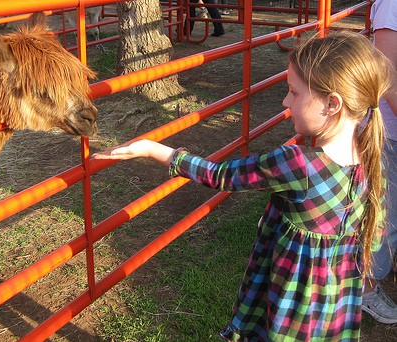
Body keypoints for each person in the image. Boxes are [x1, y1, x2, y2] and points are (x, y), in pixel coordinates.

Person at [93, 31, 393, 340]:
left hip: (290, 309)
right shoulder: (370, 160)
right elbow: (373, 239)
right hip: (335, 308)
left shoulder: (296, 163)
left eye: (294, 92)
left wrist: (153, 149)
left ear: (332, 103)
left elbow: (220, 175)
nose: (285, 101)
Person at [361, 0, 397, 324]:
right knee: (387, 212)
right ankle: (365, 289)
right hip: (390, 131)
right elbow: (385, 70)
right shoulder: (393, 5)